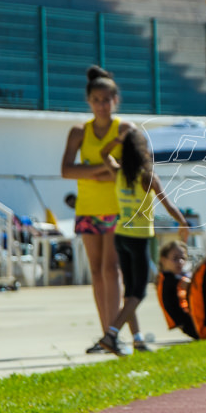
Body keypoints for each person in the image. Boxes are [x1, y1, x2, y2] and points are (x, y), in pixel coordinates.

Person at [94, 127, 190, 355]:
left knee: (130, 292)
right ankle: (111, 334)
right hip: (139, 237)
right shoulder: (147, 176)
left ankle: (137, 339)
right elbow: (168, 204)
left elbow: (103, 154)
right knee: (139, 292)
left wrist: (116, 140)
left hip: (121, 235)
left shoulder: (118, 173)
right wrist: (183, 222)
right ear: (143, 151)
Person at [60, 66, 135, 353]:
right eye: (96, 99)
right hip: (88, 208)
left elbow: (128, 170)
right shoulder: (79, 132)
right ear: (88, 101)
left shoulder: (124, 129)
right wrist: (103, 169)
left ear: (116, 100)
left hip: (117, 208)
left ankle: (113, 333)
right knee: (96, 270)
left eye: (107, 99)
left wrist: (88, 171)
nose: (102, 105)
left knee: (111, 268)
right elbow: (66, 170)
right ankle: (106, 335)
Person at [156, 240, 198, 340]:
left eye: (183, 258)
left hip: (187, 323)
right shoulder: (170, 280)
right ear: (163, 260)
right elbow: (191, 285)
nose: (180, 262)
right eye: (175, 259)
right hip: (189, 324)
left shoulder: (165, 277)